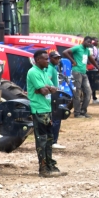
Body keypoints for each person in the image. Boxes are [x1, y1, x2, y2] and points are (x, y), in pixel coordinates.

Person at [27, 49, 65, 177]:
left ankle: (50, 165)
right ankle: (43, 169)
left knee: (49, 139)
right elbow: (43, 90)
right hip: (38, 109)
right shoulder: (33, 72)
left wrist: (47, 88)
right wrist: (47, 89)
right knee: (41, 140)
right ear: (38, 60)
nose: (48, 61)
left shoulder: (43, 72)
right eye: (46, 59)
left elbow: (53, 88)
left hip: (47, 109)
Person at [65, 37, 96, 116]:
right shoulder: (78, 47)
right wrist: (73, 61)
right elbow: (65, 52)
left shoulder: (87, 50)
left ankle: (83, 111)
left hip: (84, 72)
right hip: (76, 72)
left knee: (88, 92)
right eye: (88, 42)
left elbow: (91, 59)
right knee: (77, 93)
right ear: (84, 41)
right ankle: (77, 112)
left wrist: (98, 68)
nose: (89, 44)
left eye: (90, 43)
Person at [49, 50, 68, 149]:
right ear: (50, 58)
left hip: (55, 93)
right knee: (56, 118)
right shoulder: (50, 68)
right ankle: (53, 141)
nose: (58, 59)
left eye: (59, 58)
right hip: (53, 95)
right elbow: (48, 80)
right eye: (55, 58)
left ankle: (53, 140)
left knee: (56, 117)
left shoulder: (54, 67)